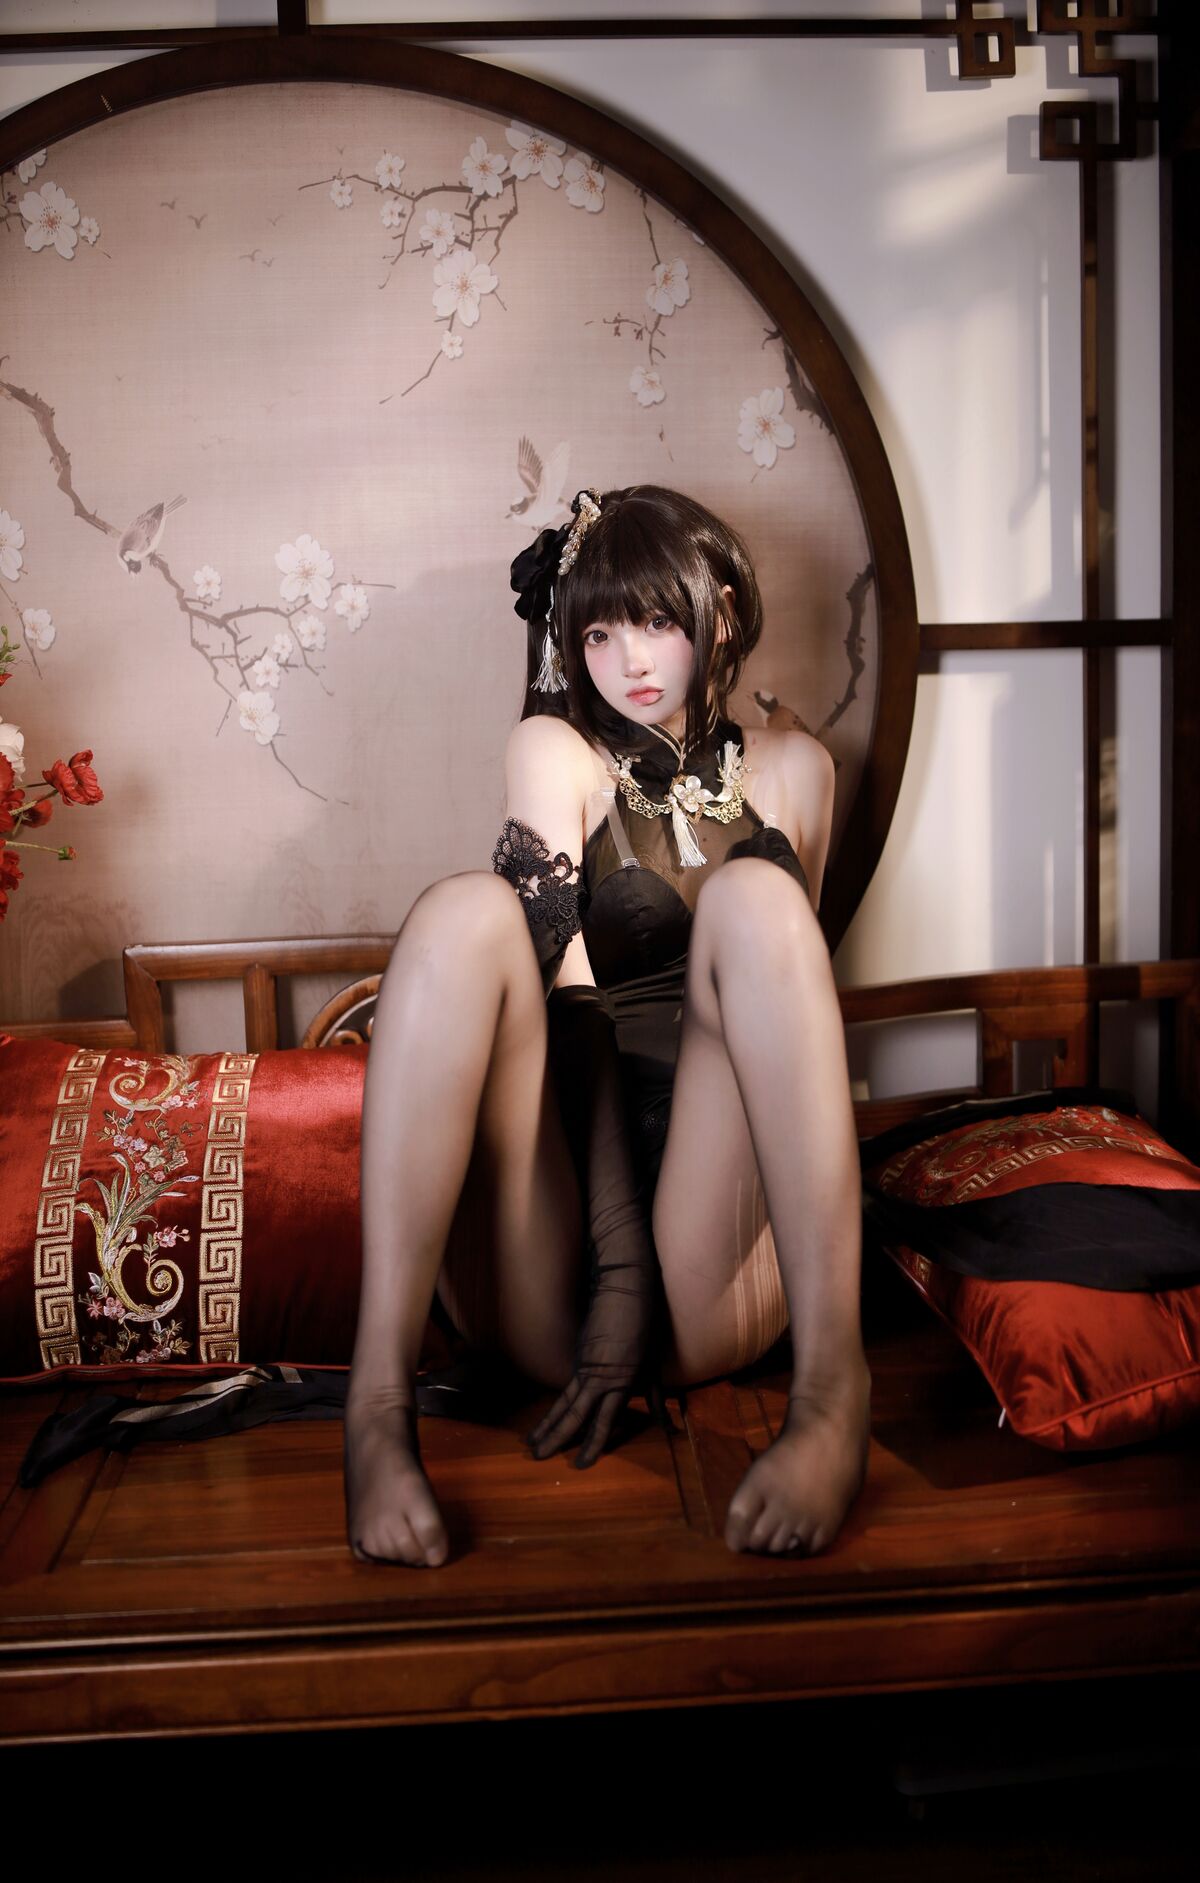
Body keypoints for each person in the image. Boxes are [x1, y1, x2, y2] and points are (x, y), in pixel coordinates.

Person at [344, 484, 871, 1569]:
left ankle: (833, 1392)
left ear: (722, 612)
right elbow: (565, 1003)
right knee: (467, 912)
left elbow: (789, 1024)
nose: (627, 659)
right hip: (565, 1219)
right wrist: (619, 1265)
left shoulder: (799, 770)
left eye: (658, 621)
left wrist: (658, 1269)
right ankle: (376, 1410)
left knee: (758, 902)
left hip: (718, 1240)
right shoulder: (560, 751)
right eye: (597, 632)